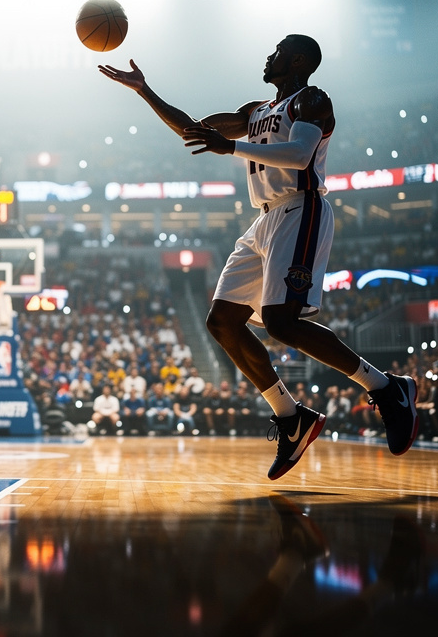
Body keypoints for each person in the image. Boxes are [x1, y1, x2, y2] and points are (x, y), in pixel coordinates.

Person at [101, 35, 418, 479]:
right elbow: (193, 129)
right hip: (264, 219)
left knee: (281, 322)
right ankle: (292, 417)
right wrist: (145, 90)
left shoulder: (312, 100)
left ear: (299, 60)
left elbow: (300, 155)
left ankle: (386, 388)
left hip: (302, 207)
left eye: (279, 50)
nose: (270, 56)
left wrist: (230, 147)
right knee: (221, 322)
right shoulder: (255, 111)